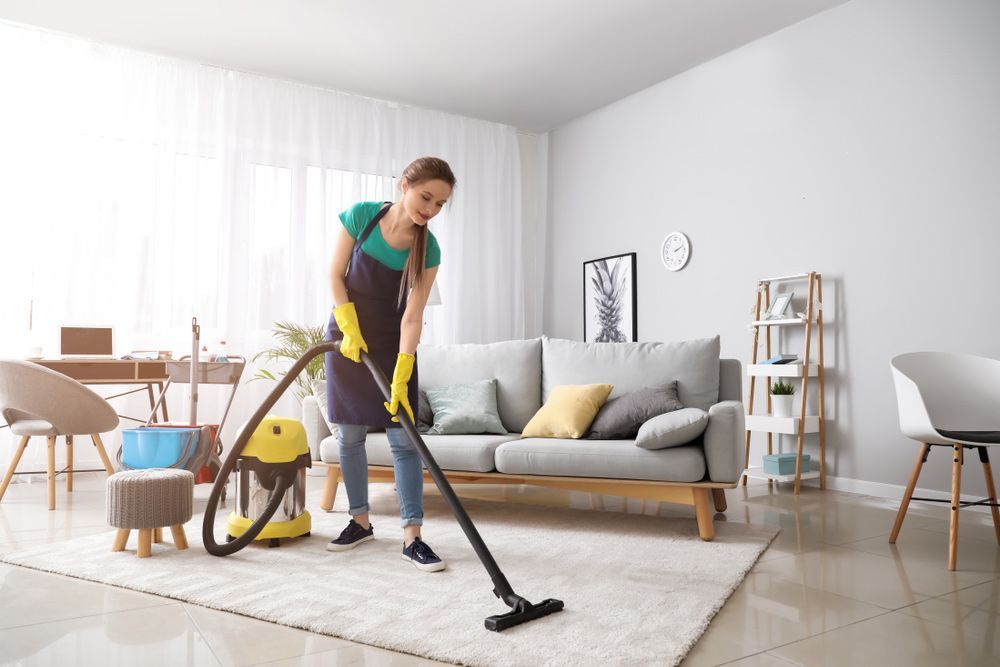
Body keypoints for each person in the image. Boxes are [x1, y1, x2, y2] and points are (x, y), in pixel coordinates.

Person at [323, 156, 454, 572]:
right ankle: (359, 521)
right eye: (425, 197)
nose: (429, 210)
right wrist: (348, 324)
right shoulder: (362, 216)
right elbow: (334, 275)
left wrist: (403, 368)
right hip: (348, 334)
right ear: (404, 185)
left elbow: (413, 315)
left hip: (392, 342)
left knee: (404, 439)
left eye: (440, 204)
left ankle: (412, 535)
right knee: (348, 436)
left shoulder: (427, 247)